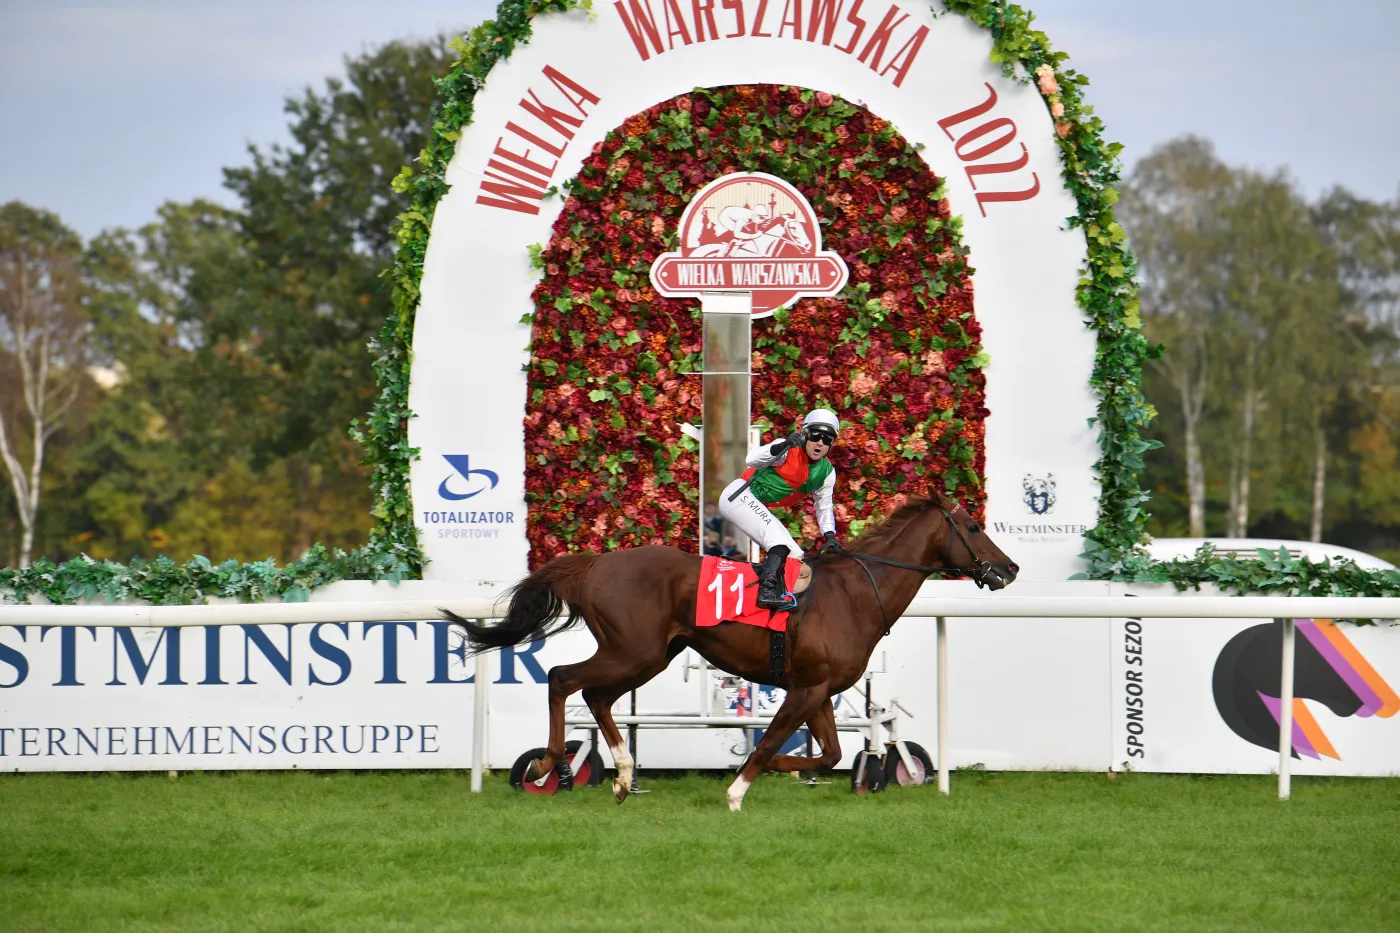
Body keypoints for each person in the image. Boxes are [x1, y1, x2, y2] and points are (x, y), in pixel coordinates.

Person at [717, 408, 842, 609]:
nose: (820, 442)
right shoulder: (788, 448)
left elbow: (824, 506)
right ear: (806, 434)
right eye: (816, 435)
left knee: (794, 553)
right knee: (779, 540)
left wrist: (829, 536)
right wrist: (783, 445)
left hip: (752, 503)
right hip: (739, 495)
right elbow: (751, 459)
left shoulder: (827, 473)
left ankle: (769, 592)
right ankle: (765, 592)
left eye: (827, 439)